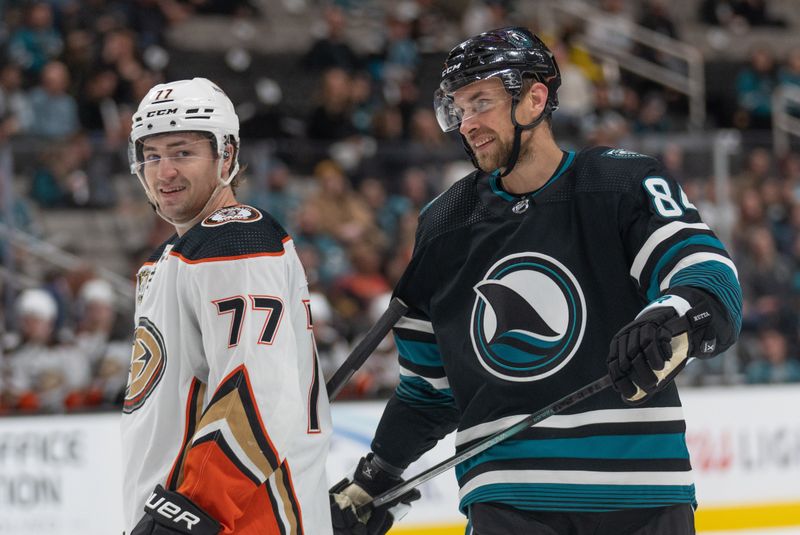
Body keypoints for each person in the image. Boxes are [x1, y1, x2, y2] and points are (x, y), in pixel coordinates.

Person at [329, 27, 742, 535]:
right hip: (509, 502)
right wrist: (376, 478)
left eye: (481, 102)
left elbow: (709, 277)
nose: (468, 124)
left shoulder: (617, 183)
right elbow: (429, 390)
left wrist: (672, 316)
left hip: (642, 496)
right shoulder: (446, 222)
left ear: (534, 98)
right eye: (458, 109)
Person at [122, 77, 332, 534]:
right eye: (152, 155)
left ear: (227, 156)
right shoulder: (177, 256)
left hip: (233, 521)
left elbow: (256, 390)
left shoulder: (233, 237)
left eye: (182, 152)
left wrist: (189, 511)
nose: (164, 171)